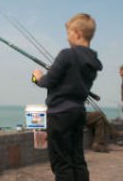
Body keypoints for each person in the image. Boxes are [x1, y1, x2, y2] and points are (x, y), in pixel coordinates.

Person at [32, 13, 102, 181]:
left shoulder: (67, 55)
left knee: (61, 162)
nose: (67, 37)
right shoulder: (92, 60)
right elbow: (70, 80)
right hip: (78, 112)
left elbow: (47, 82)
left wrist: (38, 75)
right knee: (77, 159)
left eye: (68, 32)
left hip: (60, 114)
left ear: (78, 33)